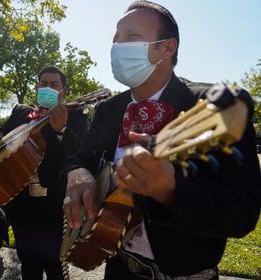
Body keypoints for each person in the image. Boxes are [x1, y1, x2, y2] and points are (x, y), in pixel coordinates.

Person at [62, 1, 261, 279]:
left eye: (131, 37)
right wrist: (77, 172)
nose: (118, 47)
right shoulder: (108, 110)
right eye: (115, 40)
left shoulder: (217, 107)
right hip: (118, 269)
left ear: (168, 47)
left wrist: (171, 190)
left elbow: (243, 214)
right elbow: (79, 157)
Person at [0, 66, 89, 279]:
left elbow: (80, 153)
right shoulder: (20, 113)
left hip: (56, 205)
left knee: (55, 265)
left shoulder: (75, 115)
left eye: (54, 84)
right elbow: (2, 144)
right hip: (22, 205)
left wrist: (61, 129)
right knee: (28, 264)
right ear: (36, 87)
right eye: (43, 83)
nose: (48, 87)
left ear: (63, 91)